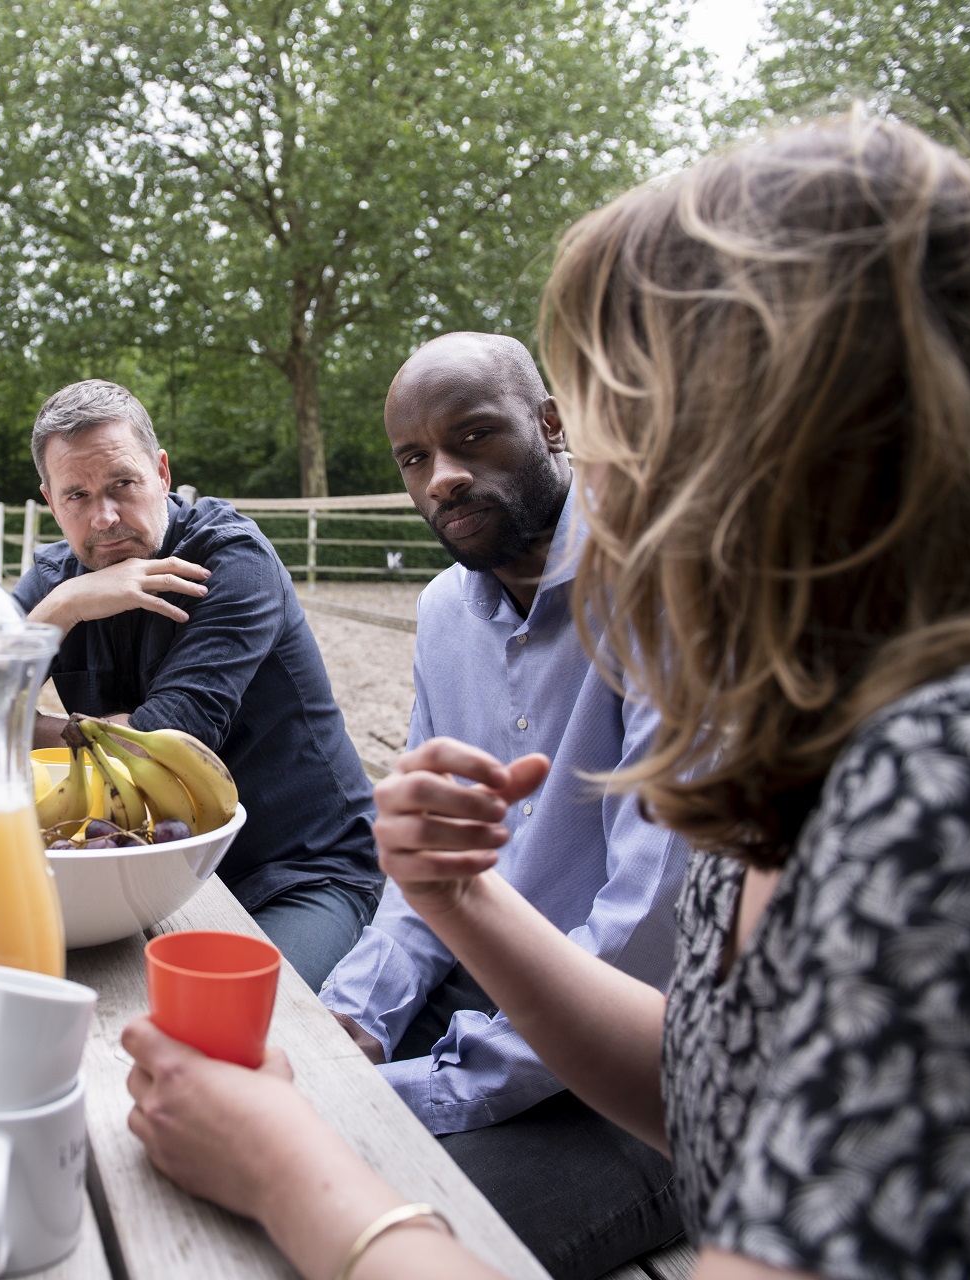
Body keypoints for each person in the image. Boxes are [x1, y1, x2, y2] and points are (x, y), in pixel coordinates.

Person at [119, 111, 970, 1280]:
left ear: (789, 431)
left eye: (621, 405)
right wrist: (448, 899)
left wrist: (293, 1163)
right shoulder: (829, 736)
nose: (599, 470)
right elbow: (711, 1085)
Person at [317, 332, 689, 1278]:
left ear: (551, 425)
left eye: (473, 436)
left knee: (358, 1219)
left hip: (649, 1073)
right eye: (414, 458)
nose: (442, 477)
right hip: (481, 987)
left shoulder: (667, 588)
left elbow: (648, 934)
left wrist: (413, 1088)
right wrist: (353, 1023)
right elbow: (427, 871)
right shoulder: (445, 612)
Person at [12, 380, 382, 991]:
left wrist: (21, 726)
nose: (104, 517)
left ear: (161, 473)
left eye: (122, 484)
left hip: (297, 870)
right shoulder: (59, 581)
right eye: (78, 495)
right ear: (51, 502)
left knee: (236, 1011)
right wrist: (62, 608)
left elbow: (163, 740)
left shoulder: (232, 559)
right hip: (149, 862)